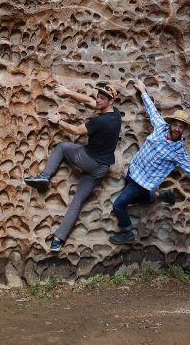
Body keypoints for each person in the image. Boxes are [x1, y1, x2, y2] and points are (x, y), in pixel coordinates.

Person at [109, 80, 190, 244]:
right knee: (138, 197)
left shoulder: (179, 152)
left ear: (184, 129)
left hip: (142, 182)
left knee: (119, 206)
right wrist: (143, 90)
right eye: (176, 124)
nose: (177, 128)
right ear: (171, 123)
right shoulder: (160, 127)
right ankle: (161, 195)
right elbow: (152, 110)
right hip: (133, 170)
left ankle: (128, 233)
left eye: (181, 127)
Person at [25, 81, 122, 252]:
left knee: (62, 147)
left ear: (111, 101)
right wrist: (68, 92)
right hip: (103, 167)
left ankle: (45, 176)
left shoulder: (100, 121)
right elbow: (89, 101)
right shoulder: (116, 114)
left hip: (90, 160)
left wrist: (59, 120)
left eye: (102, 98)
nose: (98, 100)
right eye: (98, 96)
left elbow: (76, 131)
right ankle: (58, 240)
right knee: (77, 201)